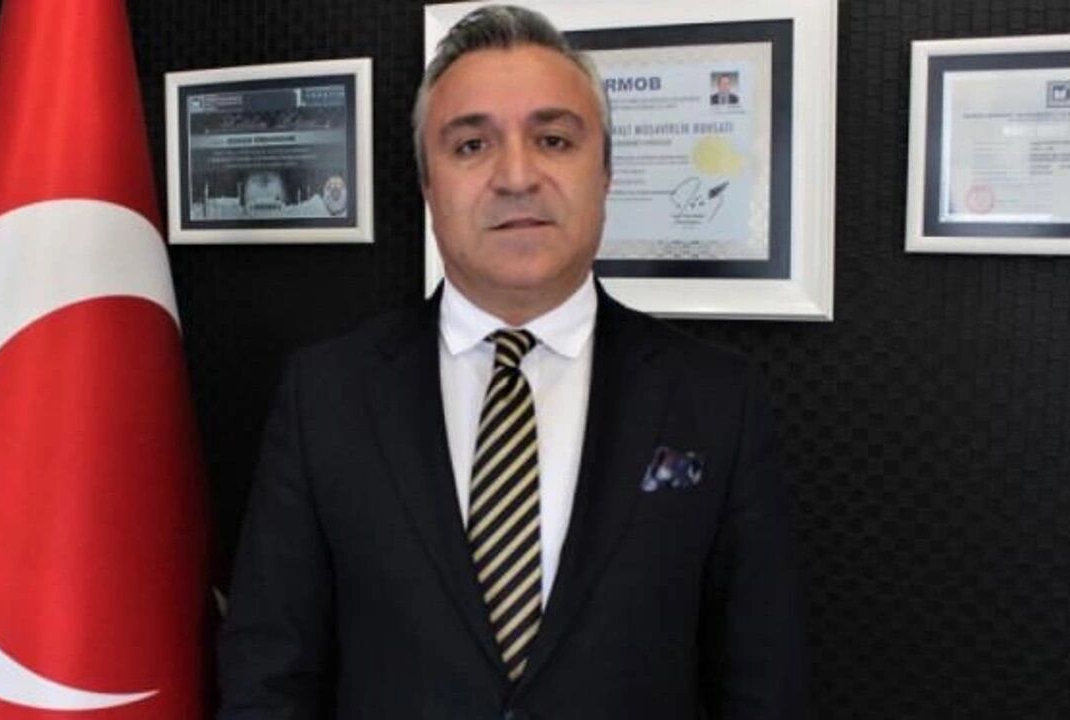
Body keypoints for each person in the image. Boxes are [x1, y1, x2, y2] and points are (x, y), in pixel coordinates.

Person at [218, 6, 807, 718]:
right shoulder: (325, 396)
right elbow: (269, 677)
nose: (517, 176)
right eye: (471, 145)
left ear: (606, 174)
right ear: (428, 186)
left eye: (554, 139)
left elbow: (764, 682)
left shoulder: (717, 401)